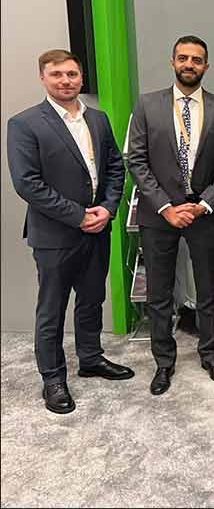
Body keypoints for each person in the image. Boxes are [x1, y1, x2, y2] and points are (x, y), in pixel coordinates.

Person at [7, 49, 133, 414]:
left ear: (81, 78)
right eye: (57, 74)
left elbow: (115, 167)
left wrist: (108, 208)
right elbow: (27, 183)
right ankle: (53, 379)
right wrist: (79, 216)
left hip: (98, 228)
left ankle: (90, 358)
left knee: (92, 298)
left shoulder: (98, 119)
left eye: (72, 74)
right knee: (52, 308)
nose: (66, 81)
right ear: (43, 78)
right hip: (55, 235)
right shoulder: (25, 123)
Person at [127, 35, 214, 396]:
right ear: (172, 62)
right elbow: (137, 161)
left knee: (209, 289)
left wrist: (205, 203)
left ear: (207, 66)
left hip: (205, 212)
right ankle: (163, 362)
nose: (190, 64)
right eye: (183, 58)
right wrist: (166, 207)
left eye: (197, 59)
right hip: (160, 214)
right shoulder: (147, 105)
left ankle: (210, 355)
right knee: (159, 292)